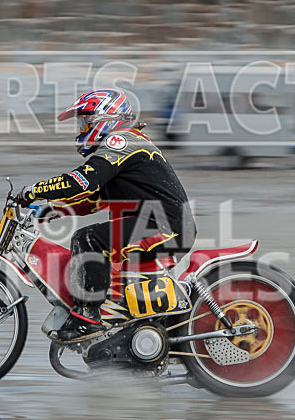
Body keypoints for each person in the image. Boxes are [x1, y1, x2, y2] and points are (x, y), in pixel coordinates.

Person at [18, 88, 196, 340]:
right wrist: (56, 208)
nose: (80, 129)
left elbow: (83, 181)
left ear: (106, 119)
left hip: (167, 227)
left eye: (84, 122)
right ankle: (120, 325)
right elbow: (96, 200)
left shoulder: (121, 141)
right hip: (156, 222)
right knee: (102, 253)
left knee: (88, 239)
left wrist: (34, 190)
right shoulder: (125, 146)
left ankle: (88, 317)